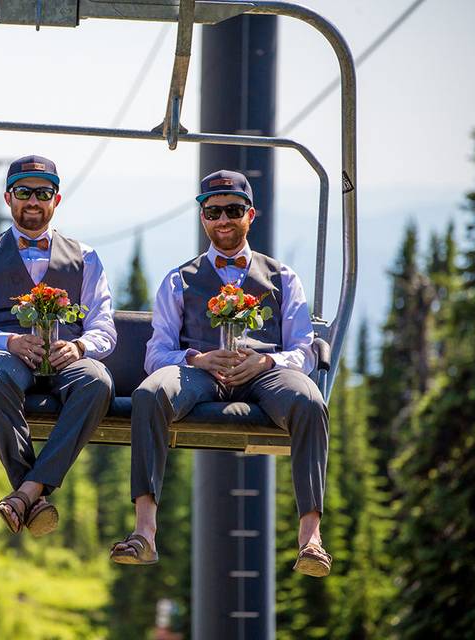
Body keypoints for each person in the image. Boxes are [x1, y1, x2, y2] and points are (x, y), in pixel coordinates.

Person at [110, 170, 331, 577]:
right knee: (149, 393)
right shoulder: (180, 279)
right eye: (213, 212)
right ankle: (145, 530)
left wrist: (266, 362)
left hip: (264, 371)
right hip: (201, 372)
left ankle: (310, 538)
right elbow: (156, 353)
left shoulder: (282, 278)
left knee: (310, 401)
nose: (223, 219)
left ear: (251, 215)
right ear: (203, 218)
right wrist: (195, 359)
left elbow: (303, 349)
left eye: (233, 210)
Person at [0, 155, 117, 537]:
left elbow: (104, 327)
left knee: (97, 382)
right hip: (9, 356)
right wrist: (8, 340)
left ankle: (24, 493)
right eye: (24, 192)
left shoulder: (86, 257)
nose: (33, 201)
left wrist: (80, 348)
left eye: (43, 193)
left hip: (67, 355)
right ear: (8, 198)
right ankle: (34, 494)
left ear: (56, 201)